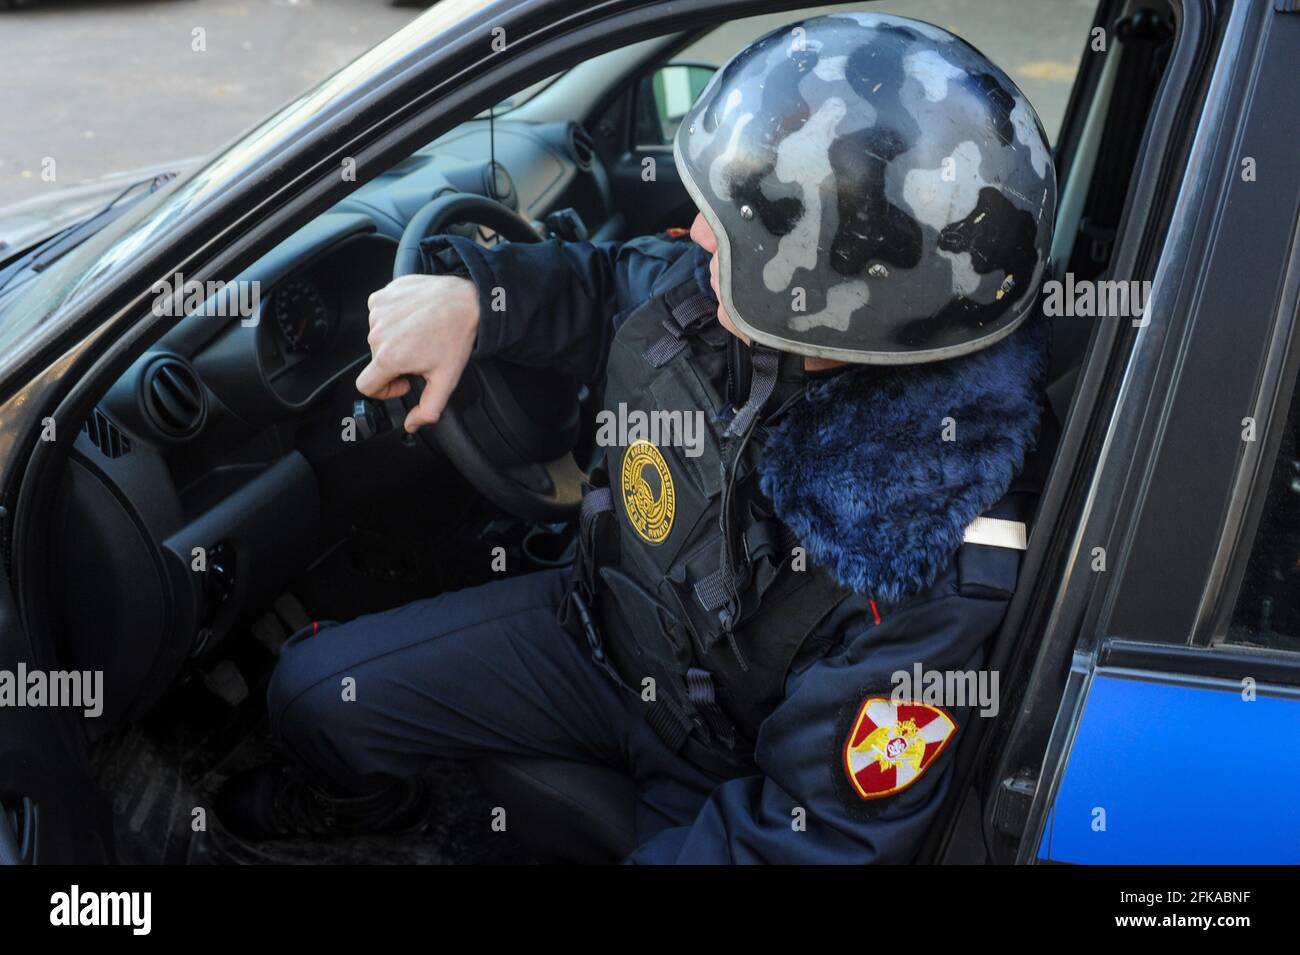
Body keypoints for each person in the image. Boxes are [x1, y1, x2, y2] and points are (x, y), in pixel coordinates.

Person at [216, 11, 1056, 863]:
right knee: (313, 695)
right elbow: (609, 286)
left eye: (739, 230)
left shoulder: (929, 556)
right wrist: (477, 296)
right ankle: (373, 816)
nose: (697, 235)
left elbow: (812, 835)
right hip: (591, 631)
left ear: (843, 287)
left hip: (718, 773)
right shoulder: (738, 308)